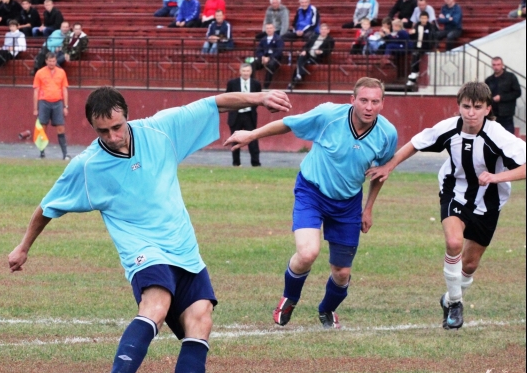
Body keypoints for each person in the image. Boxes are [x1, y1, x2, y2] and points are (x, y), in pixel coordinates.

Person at [8, 85, 291, 373]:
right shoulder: (87, 166)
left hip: (184, 248)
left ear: (127, 115)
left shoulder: (161, 130)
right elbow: (48, 207)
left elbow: (211, 103)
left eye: (117, 127)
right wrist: (23, 247)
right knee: (156, 304)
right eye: (102, 131)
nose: (112, 136)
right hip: (143, 251)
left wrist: (258, 98)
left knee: (201, 320)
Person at [225, 77, 398, 329]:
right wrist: (252, 134)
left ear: (382, 104)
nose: (369, 107)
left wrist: (368, 207)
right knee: (307, 253)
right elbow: (288, 123)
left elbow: (381, 173)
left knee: (341, 273)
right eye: (363, 100)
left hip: (348, 202)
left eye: (375, 101)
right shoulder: (329, 115)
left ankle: (327, 310)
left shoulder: (387, 134)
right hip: (312, 191)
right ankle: (290, 298)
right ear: (353, 101)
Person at [366, 82, 526, 330]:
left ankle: (449, 298)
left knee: (470, 264)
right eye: (465, 106)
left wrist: (496, 177)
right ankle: (455, 304)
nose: (470, 112)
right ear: (459, 106)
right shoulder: (449, 128)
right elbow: (416, 143)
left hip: (489, 200)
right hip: (455, 192)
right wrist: (389, 166)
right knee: (453, 243)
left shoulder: (499, 135)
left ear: (487, 109)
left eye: (476, 107)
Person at [32, 51, 70, 160]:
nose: (52, 63)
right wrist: (35, 108)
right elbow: (36, 91)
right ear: (46, 61)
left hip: (57, 102)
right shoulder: (40, 73)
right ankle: (42, 153)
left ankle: (65, 154)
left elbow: (64, 89)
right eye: (50, 61)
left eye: (53, 61)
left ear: (56, 61)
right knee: (42, 128)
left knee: (61, 128)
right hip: (44, 102)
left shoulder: (61, 72)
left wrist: (66, 106)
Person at [225, 64, 262, 167]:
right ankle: (236, 163)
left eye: (248, 71)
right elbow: (227, 97)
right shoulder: (232, 83)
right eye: (244, 71)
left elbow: (259, 98)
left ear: (251, 72)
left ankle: (256, 163)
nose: (246, 73)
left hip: (249, 115)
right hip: (236, 115)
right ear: (240, 72)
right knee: (235, 139)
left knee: (253, 139)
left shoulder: (256, 84)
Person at [289, 23, 334, 90]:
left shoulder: (330, 40)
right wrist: (304, 50)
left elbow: (329, 50)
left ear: (328, 31)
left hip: (316, 57)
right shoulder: (314, 37)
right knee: (301, 57)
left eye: (325, 29)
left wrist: (321, 52)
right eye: (322, 29)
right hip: (308, 54)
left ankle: (294, 81)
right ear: (319, 30)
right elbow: (306, 46)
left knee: (301, 64)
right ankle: (299, 75)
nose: (323, 31)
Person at [485, 57, 522, 134]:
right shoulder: (489, 80)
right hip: (493, 114)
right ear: (492, 66)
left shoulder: (510, 77)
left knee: (508, 137)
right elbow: (485, 95)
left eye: (498, 64)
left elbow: (517, 92)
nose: (496, 67)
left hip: (507, 114)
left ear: (502, 65)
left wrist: (501, 98)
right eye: (494, 65)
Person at [406, 11, 438, 86]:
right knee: (415, 56)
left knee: (416, 56)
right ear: (420, 19)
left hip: (426, 47)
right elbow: (412, 37)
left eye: (425, 18)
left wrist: (433, 46)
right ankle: (413, 75)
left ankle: (413, 75)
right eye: (422, 18)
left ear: (427, 19)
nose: (423, 20)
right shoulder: (417, 26)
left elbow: (433, 37)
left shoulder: (431, 27)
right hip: (417, 46)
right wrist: (411, 34)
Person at [254, 23, 284, 89]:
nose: (269, 30)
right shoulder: (263, 39)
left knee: (271, 65)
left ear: (274, 29)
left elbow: (279, 51)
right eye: (267, 28)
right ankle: (252, 84)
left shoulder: (278, 39)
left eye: (270, 28)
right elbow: (258, 50)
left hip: (275, 59)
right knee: (252, 65)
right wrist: (262, 57)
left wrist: (269, 58)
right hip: (264, 58)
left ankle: (265, 86)